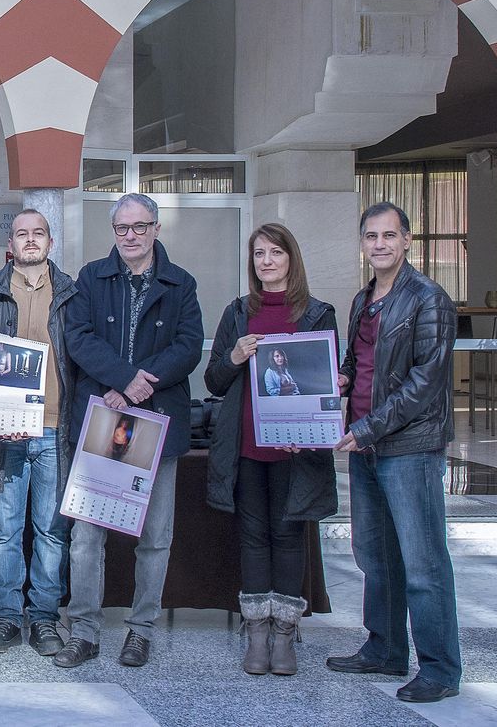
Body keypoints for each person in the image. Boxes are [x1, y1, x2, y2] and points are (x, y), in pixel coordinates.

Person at [57, 192, 202, 670]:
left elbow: (188, 346)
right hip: (102, 418)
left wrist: (141, 385)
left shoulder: (181, 283)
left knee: (155, 536)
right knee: (86, 536)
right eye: (122, 228)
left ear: (156, 228)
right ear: (113, 232)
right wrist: (123, 380)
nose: (131, 236)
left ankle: (140, 630)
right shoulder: (90, 278)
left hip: (157, 422)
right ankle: (84, 630)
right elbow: (78, 337)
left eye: (140, 227)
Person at [326, 202, 461, 704]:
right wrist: (338, 379)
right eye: (371, 236)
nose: (379, 244)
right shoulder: (364, 299)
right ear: (362, 243)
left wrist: (368, 428)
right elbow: (356, 361)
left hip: (409, 447)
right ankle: (384, 649)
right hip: (367, 446)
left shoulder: (429, 299)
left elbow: (425, 383)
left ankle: (440, 669)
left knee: (423, 563)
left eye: (389, 235)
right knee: (375, 555)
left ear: (407, 239)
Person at [203, 223, 338, 677]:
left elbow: (327, 379)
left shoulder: (317, 314)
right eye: (259, 253)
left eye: (276, 253)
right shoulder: (238, 312)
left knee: (288, 536)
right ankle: (257, 634)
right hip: (246, 445)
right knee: (253, 536)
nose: (266, 261)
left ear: (291, 259)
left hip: (297, 449)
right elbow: (213, 380)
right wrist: (234, 357)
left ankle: (285, 635)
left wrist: (316, 419)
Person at [0, 209, 77, 658]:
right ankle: (6, 618)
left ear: (50, 242)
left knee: (52, 531)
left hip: (55, 428)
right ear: (10, 245)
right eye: (22, 234)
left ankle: (45, 619)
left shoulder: (71, 293)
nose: (30, 240)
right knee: (4, 531)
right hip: (6, 432)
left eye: (38, 233)